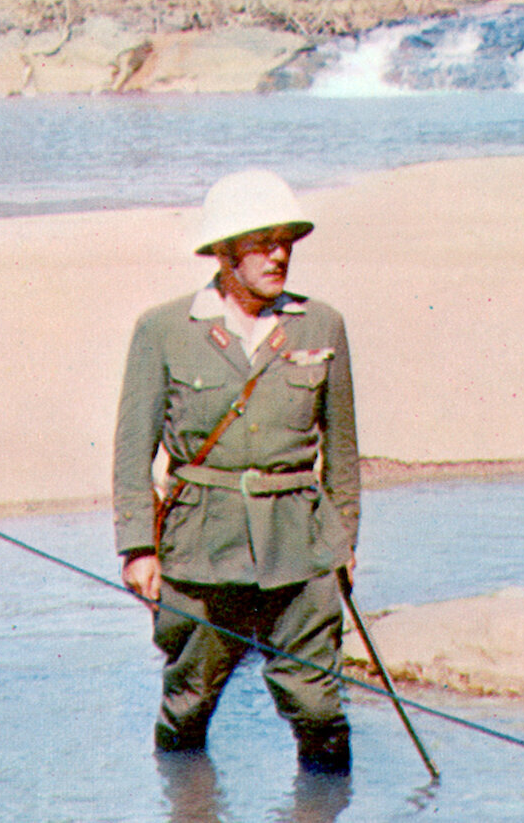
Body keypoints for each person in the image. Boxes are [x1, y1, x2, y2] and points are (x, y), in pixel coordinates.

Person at [113, 169, 361, 774]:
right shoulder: (164, 329)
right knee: (188, 703)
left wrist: (344, 543)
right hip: (200, 549)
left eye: (287, 241)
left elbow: (345, 453)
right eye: (261, 242)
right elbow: (130, 451)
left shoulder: (320, 325)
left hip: (299, 548)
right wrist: (138, 549)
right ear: (223, 252)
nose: (279, 255)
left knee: (318, 707)